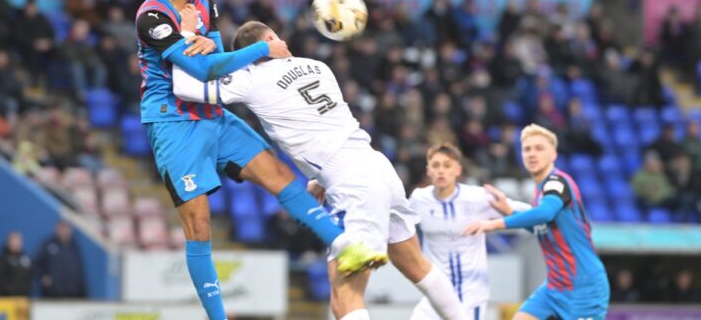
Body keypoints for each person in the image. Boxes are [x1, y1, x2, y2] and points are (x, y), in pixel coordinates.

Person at [136, 0, 381, 320]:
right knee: (199, 226)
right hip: (173, 122)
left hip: (213, 115)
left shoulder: (204, 1)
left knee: (279, 174)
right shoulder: (151, 17)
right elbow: (203, 68)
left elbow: (216, 58)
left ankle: (345, 244)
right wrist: (262, 49)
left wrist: (203, 45)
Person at [172, 20, 467, 320]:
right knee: (418, 266)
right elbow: (319, 124)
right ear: (271, 40)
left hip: (352, 184)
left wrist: (182, 38)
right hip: (377, 166)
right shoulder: (317, 66)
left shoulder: (251, 78)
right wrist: (320, 178)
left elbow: (184, 88)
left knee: (345, 298)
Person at [463, 124, 609, 320]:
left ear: (553, 154)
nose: (532, 154)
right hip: (554, 288)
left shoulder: (557, 182)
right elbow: (542, 228)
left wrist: (495, 223)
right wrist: (509, 209)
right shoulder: (539, 192)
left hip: (584, 288)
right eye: (527, 149)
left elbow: (545, 214)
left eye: (539, 148)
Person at [409, 143, 531, 320]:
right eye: (436, 165)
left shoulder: (477, 197)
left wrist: (504, 216)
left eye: (447, 165)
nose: (441, 171)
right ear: (428, 170)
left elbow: (528, 213)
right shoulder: (419, 199)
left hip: (469, 294)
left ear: (458, 170)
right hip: (434, 295)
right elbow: (397, 225)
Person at [34, 221, 86, 298]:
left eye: (67, 228)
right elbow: (35, 264)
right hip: (53, 294)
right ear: (57, 229)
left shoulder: (74, 247)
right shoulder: (48, 244)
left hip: (73, 294)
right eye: (62, 228)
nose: (64, 231)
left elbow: (80, 271)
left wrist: (83, 292)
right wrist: (43, 276)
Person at [0, 231, 33, 296]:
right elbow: (0, 279)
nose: (16, 243)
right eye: (14, 240)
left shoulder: (26, 259)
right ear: (8, 242)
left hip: (23, 298)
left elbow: (30, 276)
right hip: (7, 298)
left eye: (18, 241)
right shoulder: (2, 260)